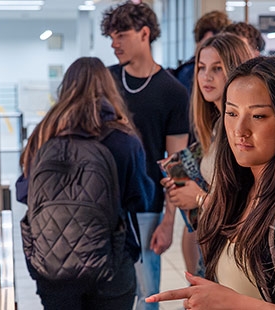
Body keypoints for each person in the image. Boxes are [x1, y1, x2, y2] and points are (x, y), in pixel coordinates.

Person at [149, 56, 275, 309]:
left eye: (258, 116)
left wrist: (226, 300)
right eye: (231, 113)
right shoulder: (237, 189)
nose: (239, 129)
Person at [15, 57, 154, 309]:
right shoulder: (124, 139)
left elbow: (24, 193)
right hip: (111, 261)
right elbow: (141, 199)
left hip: (53, 265)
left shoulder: (43, 134)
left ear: (65, 88)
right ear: (109, 88)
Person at [101, 3, 191, 310]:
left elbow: (176, 163)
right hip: (104, 204)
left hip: (146, 207)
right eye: (111, 37)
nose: (114, 44)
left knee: (146, 296)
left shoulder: (173, 91)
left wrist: (168, 222)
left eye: (121, 35)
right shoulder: (105, 82)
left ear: (144, 33)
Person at [162, 33, 254, 277]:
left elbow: (250, 202)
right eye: (201, 68)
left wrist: (200, 198)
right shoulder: (216, 126)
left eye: (217, 68)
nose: (206, 77)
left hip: (238, 255)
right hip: (215, 247)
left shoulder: (240, 128)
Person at [172, 10, 231, 93]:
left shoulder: (231, 69)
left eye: (217, 68)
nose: (212, 51)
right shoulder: (187, 73)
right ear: (198, 44)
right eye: (208, 44)